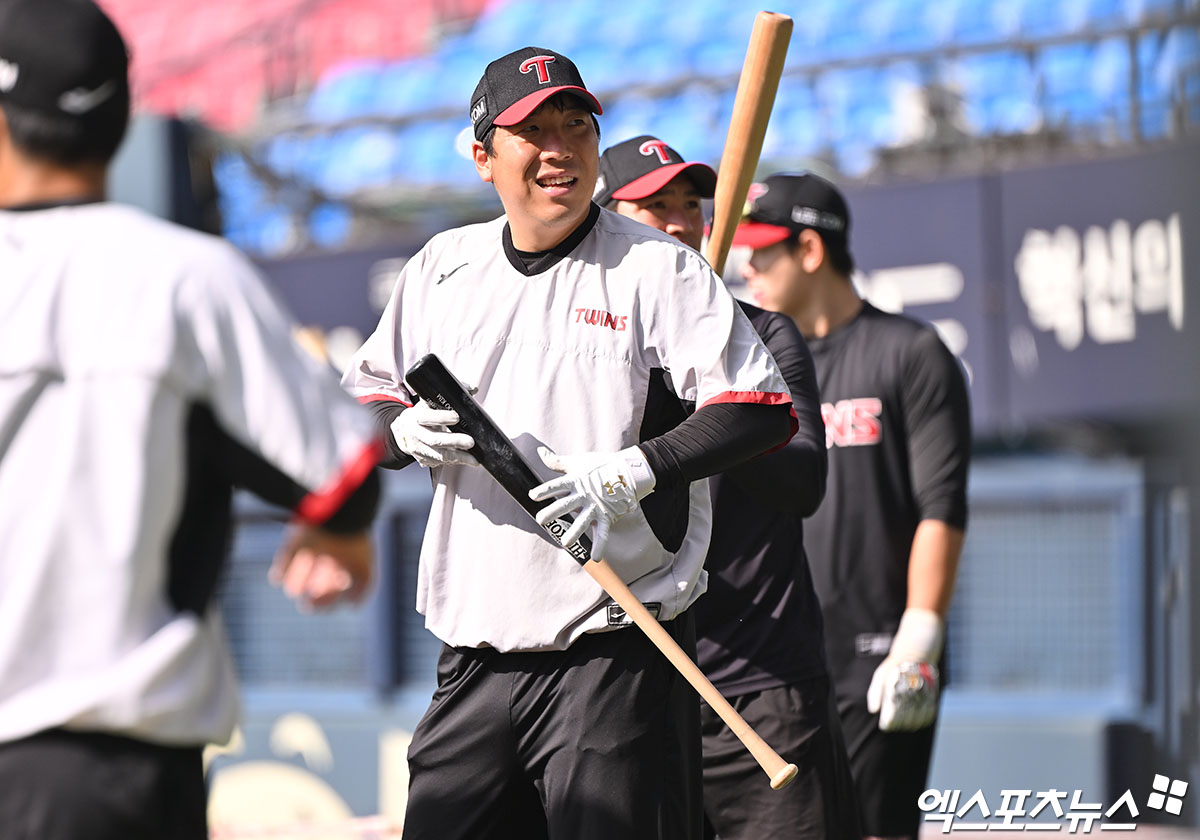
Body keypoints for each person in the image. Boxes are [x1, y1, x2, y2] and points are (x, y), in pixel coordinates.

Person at [343, 47, 796, 840]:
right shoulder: (443, 267)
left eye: (576, 125)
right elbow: (369, 401)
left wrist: (630, 472)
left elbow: (760, 409)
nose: (560, 147)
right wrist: (399, 431)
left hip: (615, 645)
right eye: (532, 131)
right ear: (484, 156)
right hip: (474, 650)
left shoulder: (659, 268)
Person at [0, 1, 383, 837]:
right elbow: (344, 475)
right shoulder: (186, 278)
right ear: (120, 115)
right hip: (104, 775)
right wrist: (340, 532)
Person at [596, 135, 862, 840]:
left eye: (692, 205)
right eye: (656, 207)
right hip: (635, 687)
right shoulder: (590, 348)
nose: (683, 221)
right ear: (608, 220)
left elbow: (803, 480)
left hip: (765, 684)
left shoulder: (763, 334)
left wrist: (718, 411)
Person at [733, 173, 972, 840]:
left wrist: (920, 635)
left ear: (810, 249)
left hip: (877, 658)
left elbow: (942, 504)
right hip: (776, 660)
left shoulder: (910, 352)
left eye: (763, 250)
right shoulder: (758, 369)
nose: (747, 266)